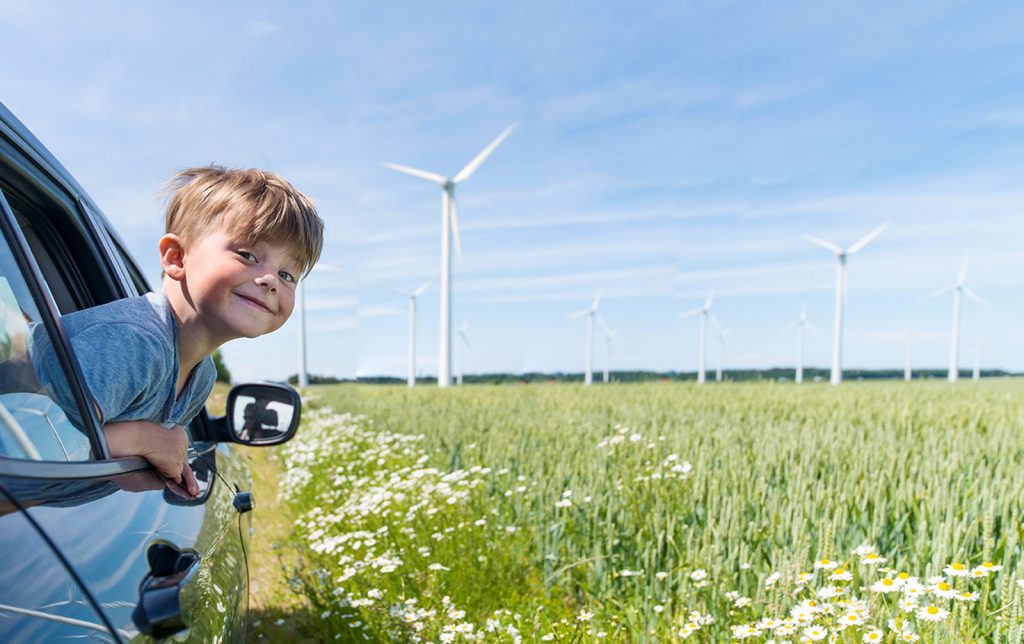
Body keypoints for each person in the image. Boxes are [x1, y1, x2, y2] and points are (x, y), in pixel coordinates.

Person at [28, 166, 324, 497]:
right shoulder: (136, 342)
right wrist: (146, 439)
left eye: (287, 275)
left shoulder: (201, 377)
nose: (270, 279)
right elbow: (36, 449)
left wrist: (164, 457)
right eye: (248, 255)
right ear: (176, 257)